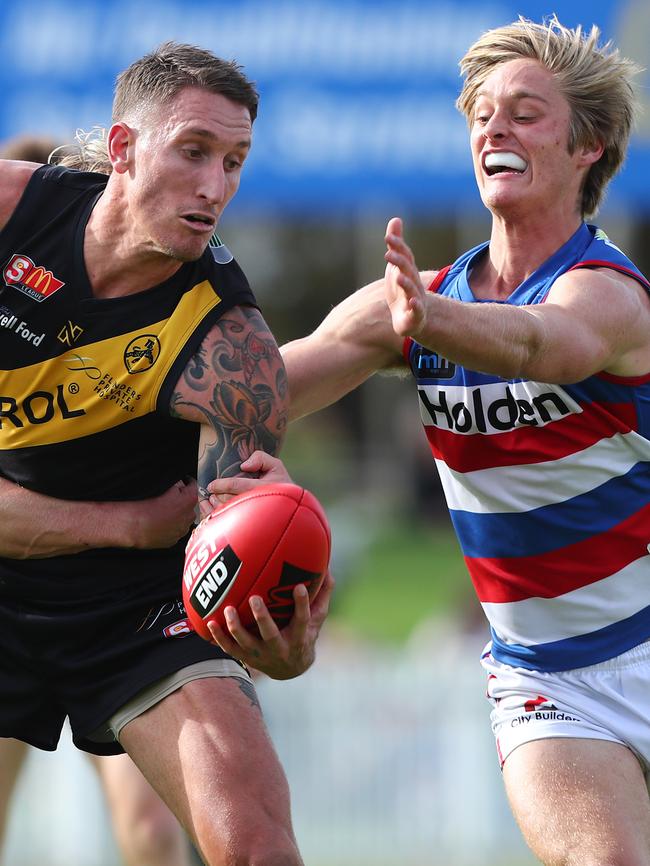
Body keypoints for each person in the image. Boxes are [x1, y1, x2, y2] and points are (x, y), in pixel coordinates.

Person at [207, 17, 650, 866]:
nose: (495, 129)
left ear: (588, 144)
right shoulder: (416, 303)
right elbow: (262, 391)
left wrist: (429, 318)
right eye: (482, 113)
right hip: (546, 679)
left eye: (526, 112)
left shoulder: (608, 295)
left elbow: (540, 345)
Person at [0, 41, 333, 866]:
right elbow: (147, 524)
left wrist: (280, 636)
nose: (215, 186)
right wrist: (123, 523)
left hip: (141, 612)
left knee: (257, 847)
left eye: (235, 161)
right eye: (194, 151)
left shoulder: (234, 348)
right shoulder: (10, 213)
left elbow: (232, 551)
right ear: (122, 149)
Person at [0, 134, 197, 866]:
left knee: (148, 825)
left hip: (117, 614)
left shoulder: (164, 324)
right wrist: (132, 524)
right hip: (15, 601)